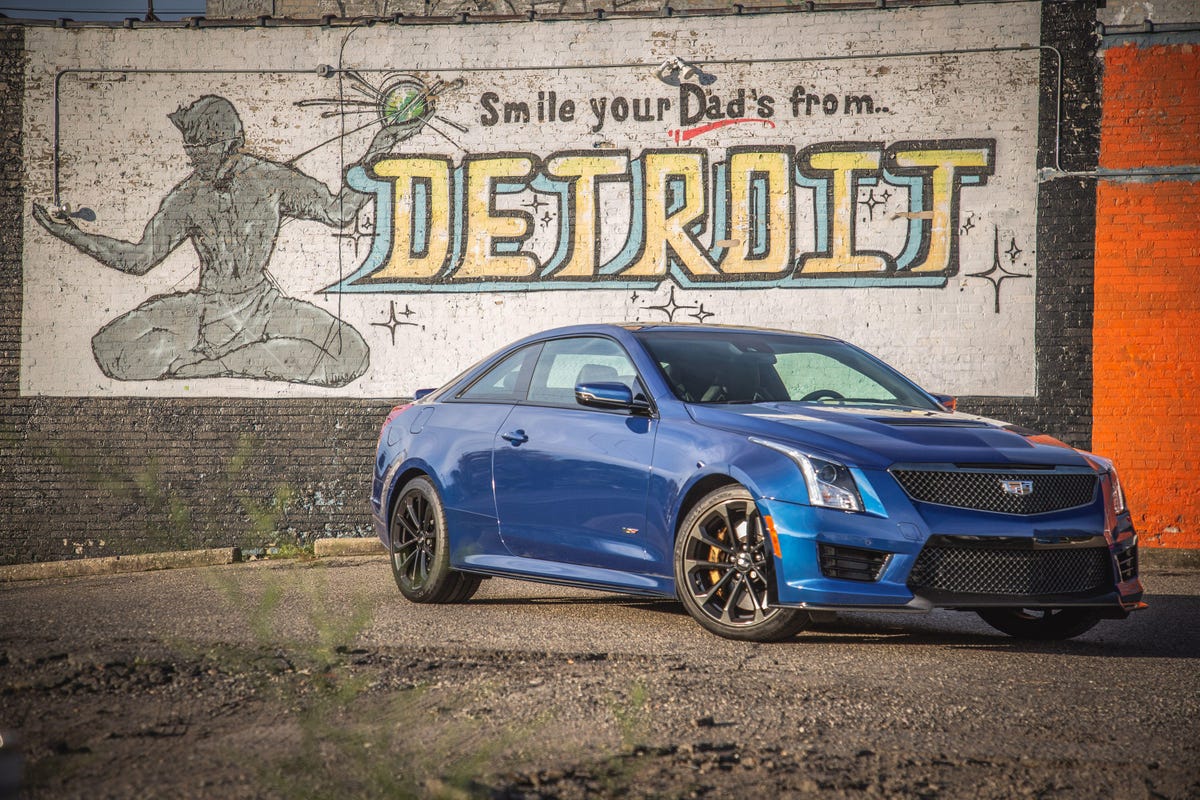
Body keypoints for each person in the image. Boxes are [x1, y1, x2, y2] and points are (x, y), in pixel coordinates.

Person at [33, 94, 421, 387]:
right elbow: (140, 259)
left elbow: (339, 211)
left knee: (350, 355)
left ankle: (219, 363)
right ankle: (217, 354)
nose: (193, 157)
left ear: (225, 142)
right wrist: (72, 235)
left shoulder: (272, 180)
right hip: (206, 308)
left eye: (199, 148)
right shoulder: (188, 196)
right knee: (107, 347)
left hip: (264, 307)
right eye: (190, 148)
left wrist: (381, 144)